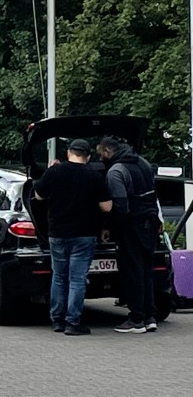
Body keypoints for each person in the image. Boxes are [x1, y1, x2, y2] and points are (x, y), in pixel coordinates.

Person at [33, 138, 112, 335]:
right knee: (77, 279)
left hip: (57, 233)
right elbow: (107, 206)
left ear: (69, 152)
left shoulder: (54, 172)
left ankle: (57, 320)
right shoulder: (94, 176)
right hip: (84, 234)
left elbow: (39, 196)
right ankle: (73, 323)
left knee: (59, 277)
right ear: (88, 156)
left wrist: (50, 173)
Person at [97, 136, 161, 333]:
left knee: (132, 271)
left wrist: (109, 227)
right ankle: (150, 316)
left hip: (131, 226)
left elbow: (121, 206)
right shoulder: (143, 162)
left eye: (101, 155)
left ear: (108, 152)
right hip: (150, 222)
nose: (101, 160)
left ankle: (136, 319)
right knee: (146, 270)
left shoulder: (116, 171)